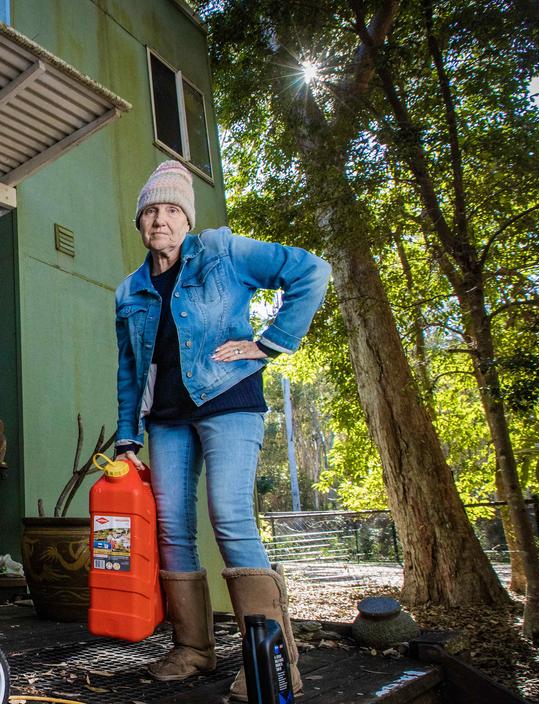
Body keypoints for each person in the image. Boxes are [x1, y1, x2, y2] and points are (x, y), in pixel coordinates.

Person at [112, 160, 329, 701]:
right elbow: (129, 370)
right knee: (172, 530)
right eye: (150, 212)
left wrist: (272, 342)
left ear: (186, 219)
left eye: (170, 211)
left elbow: (311, 271)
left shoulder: (223, 252)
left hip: (229, 402)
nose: (159, 221)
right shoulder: (130, 292)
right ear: (139, 222)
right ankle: (193, 648)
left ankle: (274, 658)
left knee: (229, 516)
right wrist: (126, 435)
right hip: (165, 419)